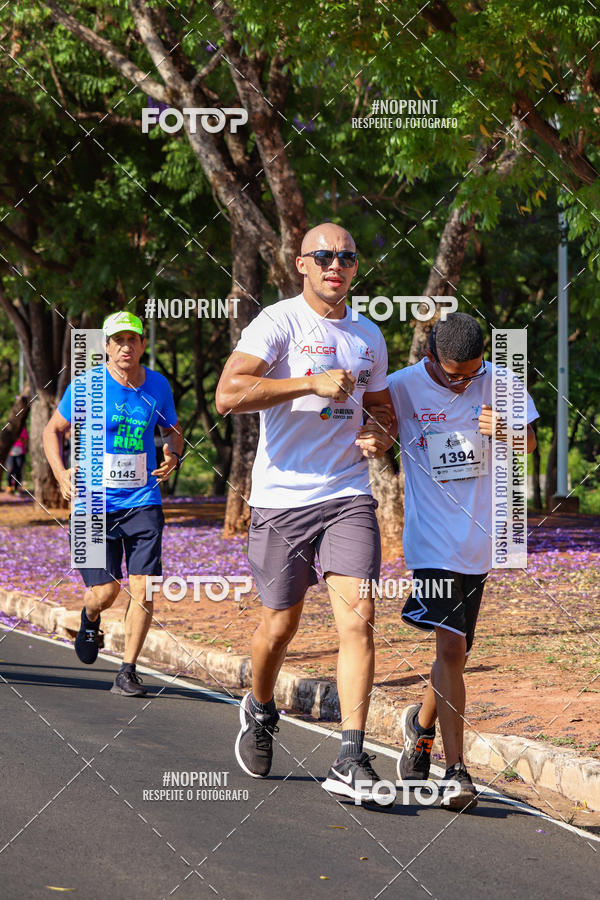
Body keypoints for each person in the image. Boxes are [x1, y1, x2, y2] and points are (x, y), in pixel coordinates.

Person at [216, 223, 397, 802]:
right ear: (301, 264)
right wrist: (307, 383)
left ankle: (350, 753)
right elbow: (229, 394)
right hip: (281, 500)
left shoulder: (368, 335)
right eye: (323, 256)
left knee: (359, 617)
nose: (334, 265)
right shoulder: (279, 321)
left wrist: (380, 436)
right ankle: (260, 706)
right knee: (280, 626)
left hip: (346, 494)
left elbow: (381, 408)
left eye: (346, 256)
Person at [378, 311, 538, 810]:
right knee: (451, 649)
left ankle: (420, 725)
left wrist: (508, 429)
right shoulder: (402, 387)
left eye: (474, 371)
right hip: (431, 542)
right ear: (431, 358)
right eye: (455, 374)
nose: (466, 381)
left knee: (458, 654)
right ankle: (456, 771)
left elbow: (530, 442)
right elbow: (373, 423)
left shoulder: (501, 381)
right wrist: (375, 438)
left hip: (479, 542)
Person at [43, 311, 183, 696]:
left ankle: (128, 669)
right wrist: (59, 473)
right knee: (106, 592)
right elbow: (53, 430)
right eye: (118, 340)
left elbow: (172, 430)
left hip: (142, 501)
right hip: (91, 505)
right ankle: (90, 616)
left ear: (142, 345)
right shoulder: (86, 386)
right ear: (106, 346)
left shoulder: (157, 385)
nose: (126, 346)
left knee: (145, 587)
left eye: (133, 339)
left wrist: (172, 456)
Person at [6, 425, 28, 494]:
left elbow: (25, 440)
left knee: (18, 471)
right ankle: (9, 486)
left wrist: (18, 439)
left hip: (20, 453)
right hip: (10, 453)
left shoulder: (23, 428)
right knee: (10, 469)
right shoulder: (9, 427)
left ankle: (16, 487)